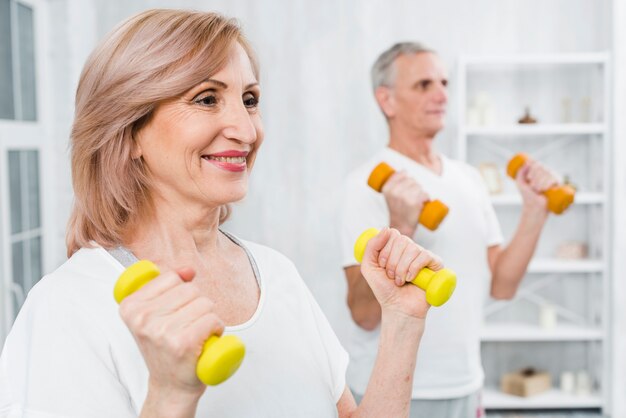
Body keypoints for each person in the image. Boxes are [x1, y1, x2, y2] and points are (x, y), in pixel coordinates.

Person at [0, 10, 447, 418]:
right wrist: (170, 395)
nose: (246, 129)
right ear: (129, 131)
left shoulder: (277, 273)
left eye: (249, 99)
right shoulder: (68, 306)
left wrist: (403, 324)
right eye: (207, 99)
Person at [340, 42, 560, 418]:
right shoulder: (365, 185)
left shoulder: (469, 179)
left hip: (466, 385)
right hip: (396, 390)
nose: (442, 94)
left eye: (444, 82)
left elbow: (503, 284)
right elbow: (363, 313)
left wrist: (535, 212)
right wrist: (401, 224)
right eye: (424, 85)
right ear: (387, 100)